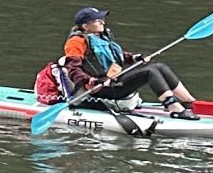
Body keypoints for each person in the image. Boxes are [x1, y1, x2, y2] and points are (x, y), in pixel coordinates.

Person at [61, 7, 197, 119]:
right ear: (85, 26)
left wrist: (134, 58)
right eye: (97, 20)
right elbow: (73, 68)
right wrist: (90, 81)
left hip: (114, 80)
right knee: (149, 72)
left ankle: (189, 103)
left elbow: (116, 55)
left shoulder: (102, 36)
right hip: (100, 87)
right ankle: (173, 107)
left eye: (102, 19)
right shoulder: (76, 42)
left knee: (160, 66)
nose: (102, 22)